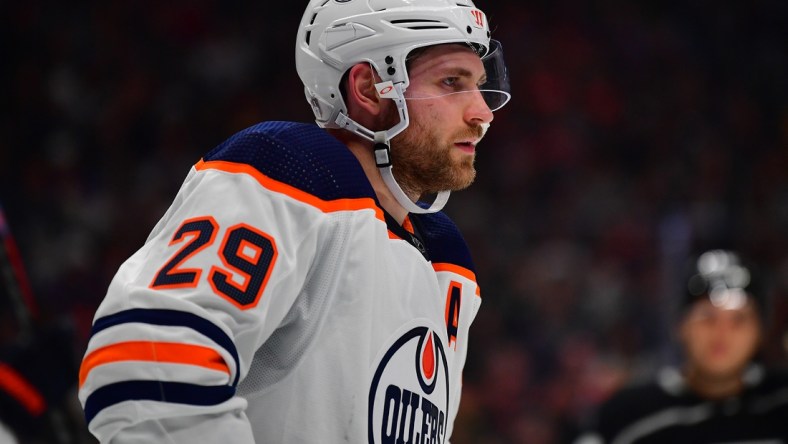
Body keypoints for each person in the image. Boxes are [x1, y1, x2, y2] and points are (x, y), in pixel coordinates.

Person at [77, 0, 511, 442]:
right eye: (452, 82)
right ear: (368, 88)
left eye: (478, 85)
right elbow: (148, 368)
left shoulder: (445, 257)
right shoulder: (293, 169)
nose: (482, 113)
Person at [573, 249, 788, 444]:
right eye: (708, 317)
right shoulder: (625, 415)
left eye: (738, 320)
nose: (722, 333)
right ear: (679, 325)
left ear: (761, 331)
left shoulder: (781, 403)